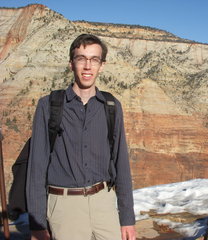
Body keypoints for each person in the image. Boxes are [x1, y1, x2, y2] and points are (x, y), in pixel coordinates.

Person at [26, 34, 136, 240]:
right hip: (65, 207)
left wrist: (127, 218)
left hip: (104, 204)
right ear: (71, 64)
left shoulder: (112, 106)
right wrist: (37, 225)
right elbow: (37, 168)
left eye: (94, 59)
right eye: (81, 58)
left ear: (102, 65)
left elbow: (121, 163)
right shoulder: (48, 106)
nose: (88, 66)